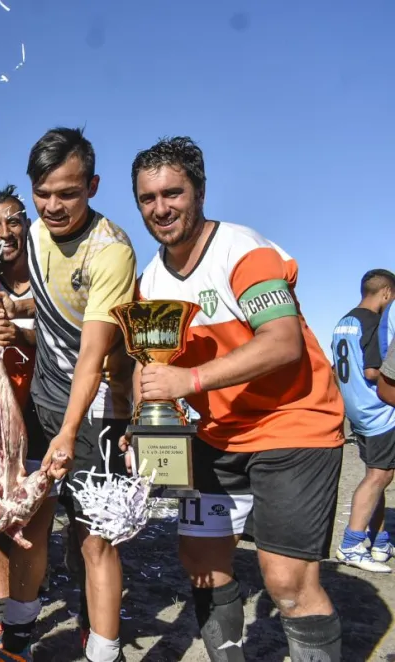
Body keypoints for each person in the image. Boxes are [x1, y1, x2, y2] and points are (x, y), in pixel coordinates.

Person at [130, 137, 344, 661]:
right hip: (215, 438)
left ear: (200, 191)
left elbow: (283, 341)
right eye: (147, 198)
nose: (160, 208)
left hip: (295, 427)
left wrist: (192, 381)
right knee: (201, 562)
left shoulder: (243, 251)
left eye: (173, 193)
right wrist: (145, 428)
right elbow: (150, 367)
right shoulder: (151, 279)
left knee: (287, 582)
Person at [0, 129, 136, 662]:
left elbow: (92, 355)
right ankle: (19, 639)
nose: (54, 206)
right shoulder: (32, 235)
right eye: (43, 193)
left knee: (95, 539)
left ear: (92, 186)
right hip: (44, 404)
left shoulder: (111, 250)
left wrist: (69, 433)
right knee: (28, 521)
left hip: (97, 411)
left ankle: (104, 650)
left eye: (68, 193)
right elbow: (50, 316)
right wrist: (9, 313)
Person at [0, 186, 53, 660]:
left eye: (13, 222)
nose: (5, 233)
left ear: (28, 224)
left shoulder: (51, 272)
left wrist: (22, 336)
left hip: (44, 410)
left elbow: (77, 344)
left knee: (38, 524)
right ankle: (6, 612)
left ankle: (25, 625)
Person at [332, 269, 395, 571]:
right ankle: (352, 544)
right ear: (386, 292)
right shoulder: (374, 322)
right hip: (379, 411)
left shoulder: (344, 321)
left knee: (377, 474)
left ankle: (379, 540)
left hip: (356, 410)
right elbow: (373, 371)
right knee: (379, 476)